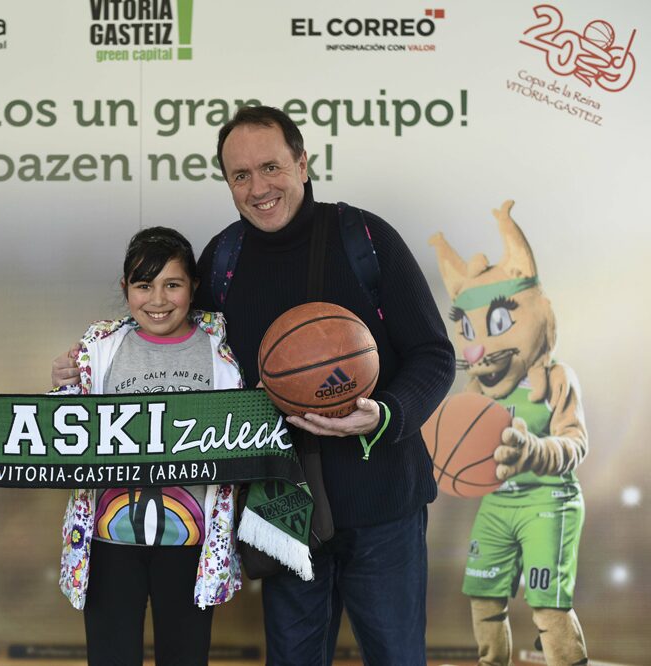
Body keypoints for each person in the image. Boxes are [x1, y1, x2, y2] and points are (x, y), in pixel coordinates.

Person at [53, 106, 455, 665]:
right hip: (280, 509)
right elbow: (172, 338)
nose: (258, 187)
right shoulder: (224, 258)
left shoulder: (365, 238)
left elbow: (435, 355)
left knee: (396, 657)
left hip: (383, 502)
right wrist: (83, 367)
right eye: (240, 175)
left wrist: (385, 415)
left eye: (271, 167)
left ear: (303, 163)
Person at [0, 227, 243, 666]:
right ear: (125, 290)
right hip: (108, 542)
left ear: (193, 287)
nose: (157, 299)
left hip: (191, 545)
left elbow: (255, 434)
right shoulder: (98, 351)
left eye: (172, 284)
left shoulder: (222, 354)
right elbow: (43, 431)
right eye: (143, 285)